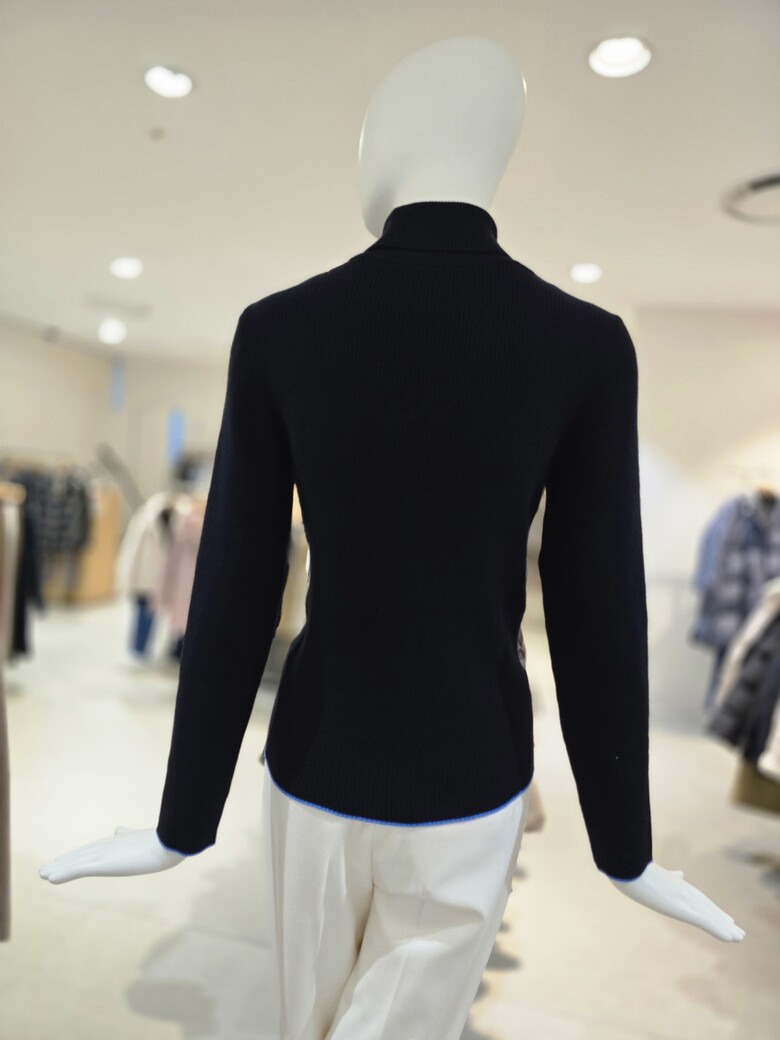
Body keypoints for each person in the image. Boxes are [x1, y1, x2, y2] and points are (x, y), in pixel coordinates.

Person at [40, 33, 745, 1040]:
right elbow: (599, 606)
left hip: (318, 760)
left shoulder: (283, 328)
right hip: (473, 769)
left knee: (309, 1021)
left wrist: (181, 821)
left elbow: (238, 583)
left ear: (397, 138)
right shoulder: (583, 344)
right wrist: (623, 847)